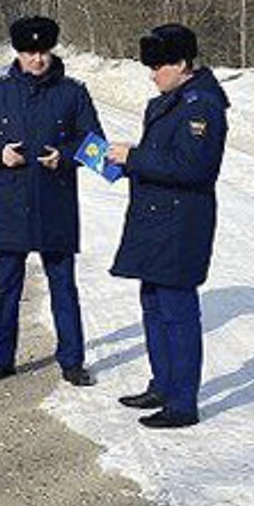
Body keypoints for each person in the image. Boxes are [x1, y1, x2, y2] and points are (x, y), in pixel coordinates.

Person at [0, 15, 102, 386]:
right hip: (10, 205)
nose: (37, 59)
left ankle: (72, 361)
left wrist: (66, 156)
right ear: (17, 53)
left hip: (56, 204)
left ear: (52, 51)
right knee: (7, 286)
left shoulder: (74, 93)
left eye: (43, 52)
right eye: (29, 52)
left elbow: (96, 146)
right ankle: (1, 359)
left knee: (63, 286)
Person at [105, 23, 229, 429]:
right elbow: (161, 158)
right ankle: (162, 384)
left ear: (181, 63)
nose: (152, 73)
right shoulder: (166, 101)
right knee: (153, 306)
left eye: (158, 65)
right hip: (154, 221)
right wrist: (121, 165)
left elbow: (195, 168)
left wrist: (135, 158)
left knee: (178, 312)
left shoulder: (201, 106)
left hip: (181, 224)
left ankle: (182, 402)